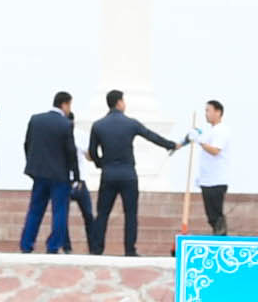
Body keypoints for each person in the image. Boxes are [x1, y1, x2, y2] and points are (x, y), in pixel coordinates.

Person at [83, 89, 183, 256]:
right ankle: (130, 250)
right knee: (130, 214)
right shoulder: (131, 123)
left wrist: (102, 164)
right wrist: (171, 145)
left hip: (108, 175)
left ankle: (97, 249)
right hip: (128, 175)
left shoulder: (98, 125)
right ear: (120, 103)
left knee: (103, 214)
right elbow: (151, 136)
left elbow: (92, 152)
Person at [18, 89, 87, 254]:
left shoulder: (36, 120)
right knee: (60, 211)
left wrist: (32, 165)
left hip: (39, 173)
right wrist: (76, 177)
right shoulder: (65, 124)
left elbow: (27, 144)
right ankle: (53, 246)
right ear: (65, 104)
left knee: (35, 210)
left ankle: (26, 244)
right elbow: (71, 152)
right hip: (60, 175)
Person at [179, 98, 231, 235]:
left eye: (208, 110)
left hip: (217, 180)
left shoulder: (222, 130)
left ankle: (221, 237)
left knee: (216, 214)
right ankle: (217, 234)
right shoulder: (211, 131)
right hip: (206, 180)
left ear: (218, 112)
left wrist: (199, 141)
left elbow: (215, 150)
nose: (206, 114)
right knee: (210, 215)